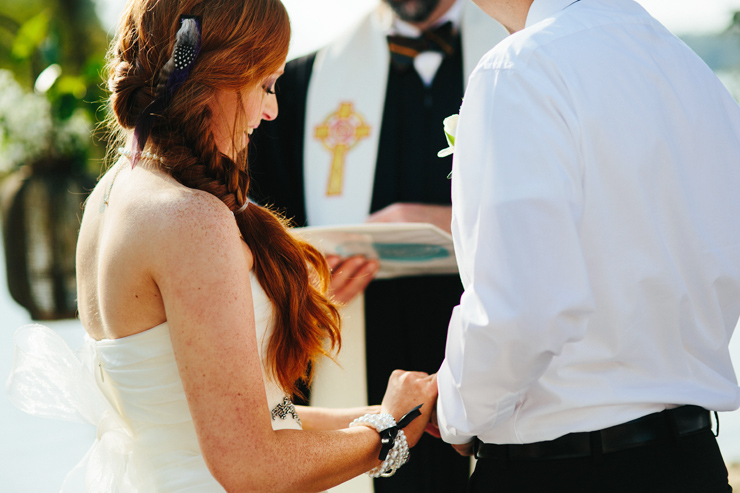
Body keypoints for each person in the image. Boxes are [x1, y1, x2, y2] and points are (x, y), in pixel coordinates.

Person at [6, 0, 439, 491]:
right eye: (266, 85)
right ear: (218, 73)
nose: (272, 109)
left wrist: (395, 412)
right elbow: (250, 464)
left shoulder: (109, 195)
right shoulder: (190, 218)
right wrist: (389, 433)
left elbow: (246, 420)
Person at [434, 0, 740, 491]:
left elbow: (524, 307)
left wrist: (455, 408)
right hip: (695, 462)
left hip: (563, 469)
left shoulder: (522, 67)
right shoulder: (694, 74)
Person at [248, 1, 507, 490]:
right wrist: (305, 284)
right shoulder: (303, 86)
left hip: (489, 346)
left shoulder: (524, 65)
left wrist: (457, 221)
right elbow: (263, 232)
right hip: (365, 356)